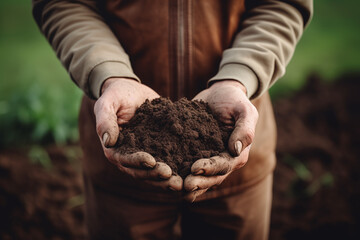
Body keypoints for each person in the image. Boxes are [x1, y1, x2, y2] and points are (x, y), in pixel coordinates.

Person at [32, 0, 313, 239]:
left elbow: (281, 4)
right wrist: (110, 75)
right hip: (122, 154)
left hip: (234, 148)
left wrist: (239, 77)